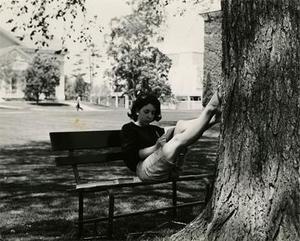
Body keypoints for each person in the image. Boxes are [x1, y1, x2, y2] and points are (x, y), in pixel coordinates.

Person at [121, 91, 221, 182]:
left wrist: (210, 123)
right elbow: (133, 155)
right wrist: (156, 147)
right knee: (176, 140)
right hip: (144, 171)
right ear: (137, 111)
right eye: (146, 112)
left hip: (170, 169)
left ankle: (212, 118)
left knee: (181, 124)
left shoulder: (154, 129)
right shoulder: (129, 128)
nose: (150, 116)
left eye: (153, 113)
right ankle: (210, 109)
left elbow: (184, 129)